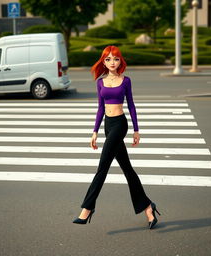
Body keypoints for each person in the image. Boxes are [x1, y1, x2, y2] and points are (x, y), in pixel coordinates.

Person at [72, 45, 161, 229]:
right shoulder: (100, 82)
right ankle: (148, 208)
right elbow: (100, 109)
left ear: (120, 61)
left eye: (116, 59)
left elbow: (132, 105)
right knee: (128, 170)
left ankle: (87, 208)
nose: (112, 62)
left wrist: (136, 130)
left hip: (120, 125)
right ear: (103, 62)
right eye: (108, 59)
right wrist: (95, 131)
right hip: (108, 125)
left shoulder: (126, 80)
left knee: (102, 167)